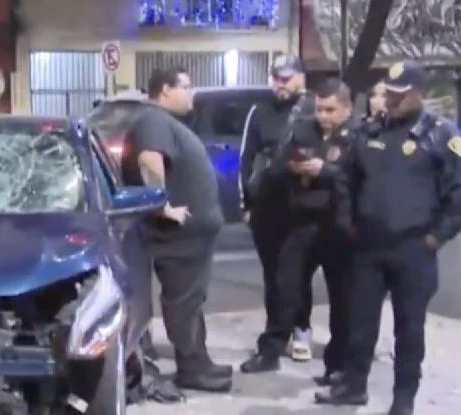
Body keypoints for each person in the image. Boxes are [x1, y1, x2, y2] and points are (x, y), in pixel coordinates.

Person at [316, 60, 461, 415]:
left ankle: (404, 395)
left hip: (414, 248)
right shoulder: (369, 132)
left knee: (409, 327)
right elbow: (345, 180)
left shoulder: (439, 135)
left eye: (399, 95)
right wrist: (347, 221)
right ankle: (353, 386)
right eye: (388, 93)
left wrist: (436, 237)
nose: (390, 101)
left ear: (418, 95)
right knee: (359, 321)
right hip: (368, 247)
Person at [120, 67, 232, 393]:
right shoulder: (153, 120)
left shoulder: (163, 121)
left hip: (190, 236)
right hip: (177, 236)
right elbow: (149, 161)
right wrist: (161, 205)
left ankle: (199, 360)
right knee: (184, 300)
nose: (191, 92)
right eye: (185, 86)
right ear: (164, 91)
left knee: (191, 299)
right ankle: (192, 369)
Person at [240, 79, 355, 377]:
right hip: (301, 223)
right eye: (320, 109)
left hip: (338, 226)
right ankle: (271, 349)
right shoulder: (303, 131)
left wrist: (325, 171)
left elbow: (361, 178)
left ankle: (338, 362)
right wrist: (291, 168)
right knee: (285, 288)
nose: (324, 116)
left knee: (342, 298)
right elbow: (275, 168)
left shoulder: (358, 137)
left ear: (347, 109)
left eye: (331, 110)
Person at [239, 55, 317, 371]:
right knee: (273, 276)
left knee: (297, 274)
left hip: (304, 206)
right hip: (267, 207)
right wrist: (245, 203)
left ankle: (300, 328)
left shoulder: (313, 110)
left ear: (301, 78)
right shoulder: (260, 111)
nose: (280, 84)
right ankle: (277, 333)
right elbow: (246, 157)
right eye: (276, 78)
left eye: (286, 78)